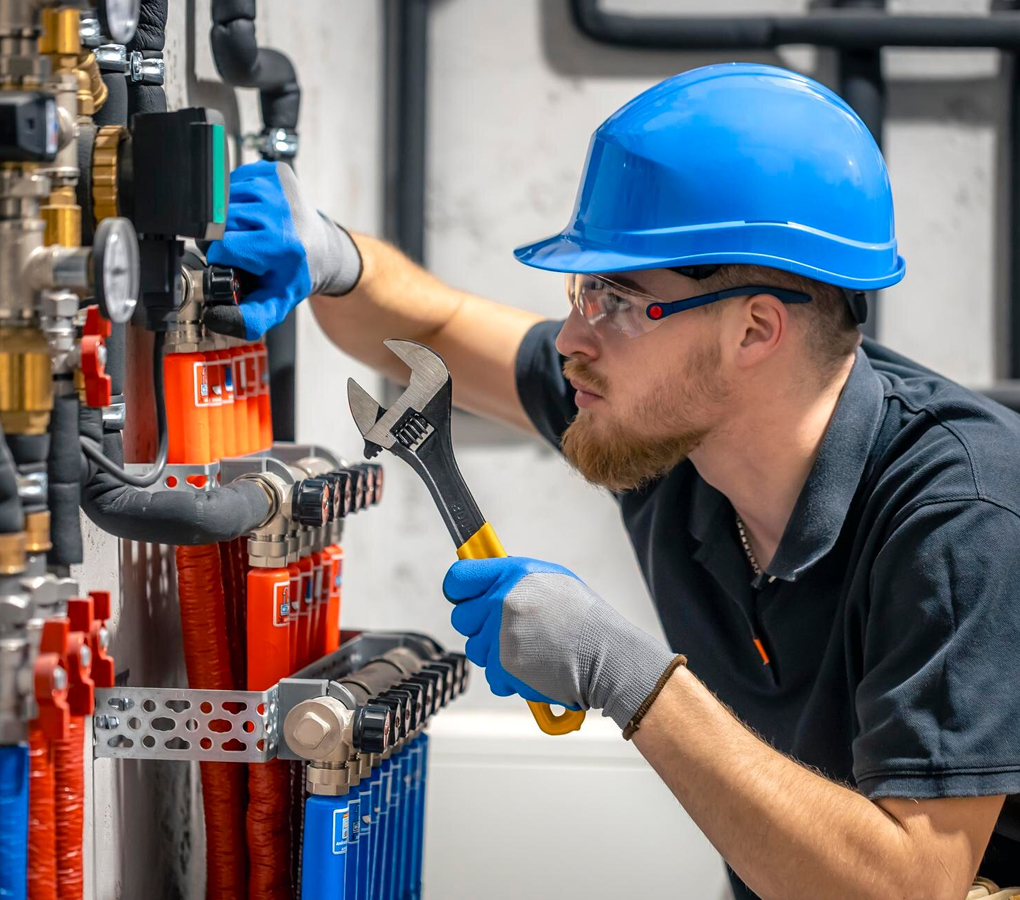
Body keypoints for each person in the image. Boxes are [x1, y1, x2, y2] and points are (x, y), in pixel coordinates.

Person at [208, 63, 1020, 899]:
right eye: (580, 290)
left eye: (617, 299)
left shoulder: (964, 518)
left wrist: (626, 673)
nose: (570, 338)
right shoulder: (668, 425)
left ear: (754, 330)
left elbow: (911, 887)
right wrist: (335, 257)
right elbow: (433, 325)